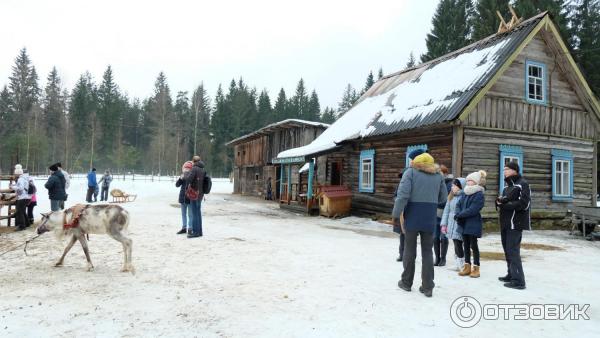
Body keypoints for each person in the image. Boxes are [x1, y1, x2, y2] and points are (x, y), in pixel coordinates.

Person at [392, 152, 447, 298]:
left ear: (415, 162)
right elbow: (443, 198)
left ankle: (406, 282)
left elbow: (402, 195)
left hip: (412, 214)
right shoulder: (438, 175)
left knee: (409, 249)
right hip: (429, 216)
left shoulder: (410, 172)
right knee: (427, 251)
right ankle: (428, 286)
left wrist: (396, 214)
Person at [496, 161, 530, 290]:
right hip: (505, 222)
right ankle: (511, 274)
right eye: (504, 169)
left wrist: (506, 205)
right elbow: (505, 201)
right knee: (507, 249)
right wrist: (500, 201)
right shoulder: (506, 187)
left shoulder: (523, 184)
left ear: (514, 170)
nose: (504, 171)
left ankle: (519, 281)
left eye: (506, 169)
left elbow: (524, 204)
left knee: (513, 250)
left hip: (515, 223)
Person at [393, 148, 427, 262]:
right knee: (403, 234)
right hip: (404, 209)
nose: (411, 161)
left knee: (412, 234)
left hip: (414, 209)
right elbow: (397, 193)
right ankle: (402, 254)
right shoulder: (407, 174)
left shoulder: (417, 174)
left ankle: (411, 255)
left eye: (412, 159)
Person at [455, 170, 487, 278]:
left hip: (473, 223)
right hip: (464, 223)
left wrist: (460, 215)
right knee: (466, 245)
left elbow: (473, 209)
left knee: (474, 245)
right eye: (467, 180)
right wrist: (458, 213)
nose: (468, 182)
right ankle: (467, 266)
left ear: (476, 182)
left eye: (471, 181)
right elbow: (458, 204)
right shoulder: (465, 193)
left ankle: (476, 267)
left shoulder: (479, 194)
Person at [440, 178, 467, 271]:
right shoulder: (451, 196)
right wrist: (444, 224)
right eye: (452, 185)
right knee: (455, 243)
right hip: (451, 223)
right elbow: (446, 211)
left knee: (458, 243)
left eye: (454, 185)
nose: (452, 187)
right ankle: (457, 263)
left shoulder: (463, 197)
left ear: (460, 187)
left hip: (459, 223)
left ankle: (462, 264)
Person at [434, 165, 453, 266]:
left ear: (445, 173)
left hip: (445, 215)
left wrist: (435, 202)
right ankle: (437, 258)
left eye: (439, 173)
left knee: (443, 237)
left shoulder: (450, 184)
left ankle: (443, 259)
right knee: (435, 237)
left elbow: (446, 200)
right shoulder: (435, 182)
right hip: (435, 214)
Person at [186, 155, 206, 238]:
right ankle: (200, 231)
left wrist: (186, 174)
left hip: (194, 194)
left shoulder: (194, 169)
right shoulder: (202, 169)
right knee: (198, 213)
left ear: (193, 161)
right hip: (200, 194)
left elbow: (189, 179)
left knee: (194, 213)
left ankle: (195, 232)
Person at [10, 164, 32, 231]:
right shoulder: (25, 178)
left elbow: (21, 188)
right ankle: (27, 223)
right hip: (27, 197)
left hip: (22, 197)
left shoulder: (20, 179)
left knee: (20, 212)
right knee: (22, 211)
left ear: (17, 173)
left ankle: (22, 226)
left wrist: (12, 187)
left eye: (15, 173)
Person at [175, 161, 193, 234]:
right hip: (183, 198)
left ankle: (190, 228)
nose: (186, 170)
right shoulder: (182, 176)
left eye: (188, 169)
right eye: (185, 169)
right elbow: (177, 185)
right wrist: (180, 178)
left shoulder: (192, 176)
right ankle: (184, 227)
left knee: (190, 214)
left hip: (189, 198)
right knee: (183, 214)